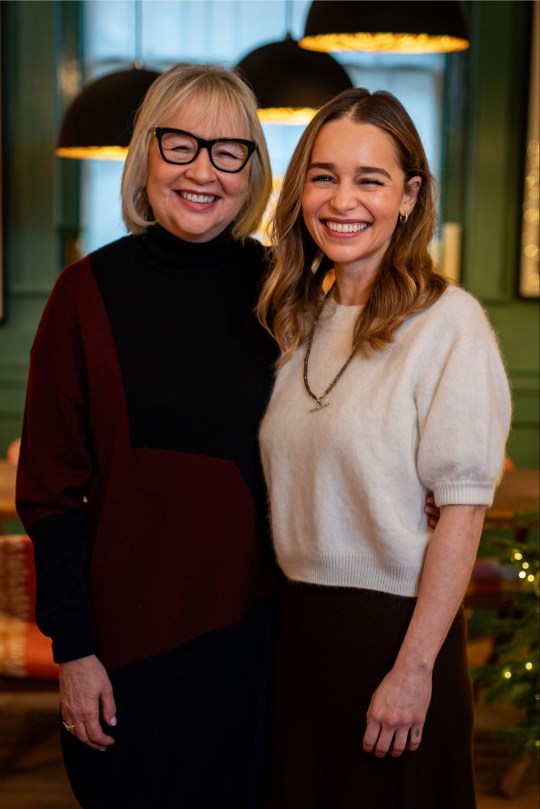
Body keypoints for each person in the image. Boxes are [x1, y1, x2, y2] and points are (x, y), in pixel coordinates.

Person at [16, 63, 278, 809]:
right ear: (145, 155)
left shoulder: (285, 291)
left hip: (268, 641)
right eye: (181, 144)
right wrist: (74, 650)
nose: (204, 170)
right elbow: (51, 495)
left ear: (252, 170)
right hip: (134, 647)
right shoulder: (84, 295)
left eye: (229, 150)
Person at [257, 87, 512, 808]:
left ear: (409, 195)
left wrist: (414, 668)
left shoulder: (448, 324)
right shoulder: (293, 317)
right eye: (323, 174)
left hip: (398, 633)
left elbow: (461, 514)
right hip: (299, 633)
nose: (343, 199)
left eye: (370, 179)